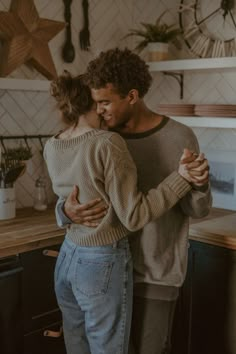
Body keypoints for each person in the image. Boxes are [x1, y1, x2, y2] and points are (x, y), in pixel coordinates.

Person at [56, 49, 212, 354]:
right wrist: (64, 211)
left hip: (155, 275)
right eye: (95, 102)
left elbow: (198, 209)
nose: (98, 111)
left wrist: (200, 183)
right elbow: (68, 194)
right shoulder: (99, 138)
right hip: (105, 272)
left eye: (105, 102)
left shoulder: (179, 137)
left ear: (132, 95)